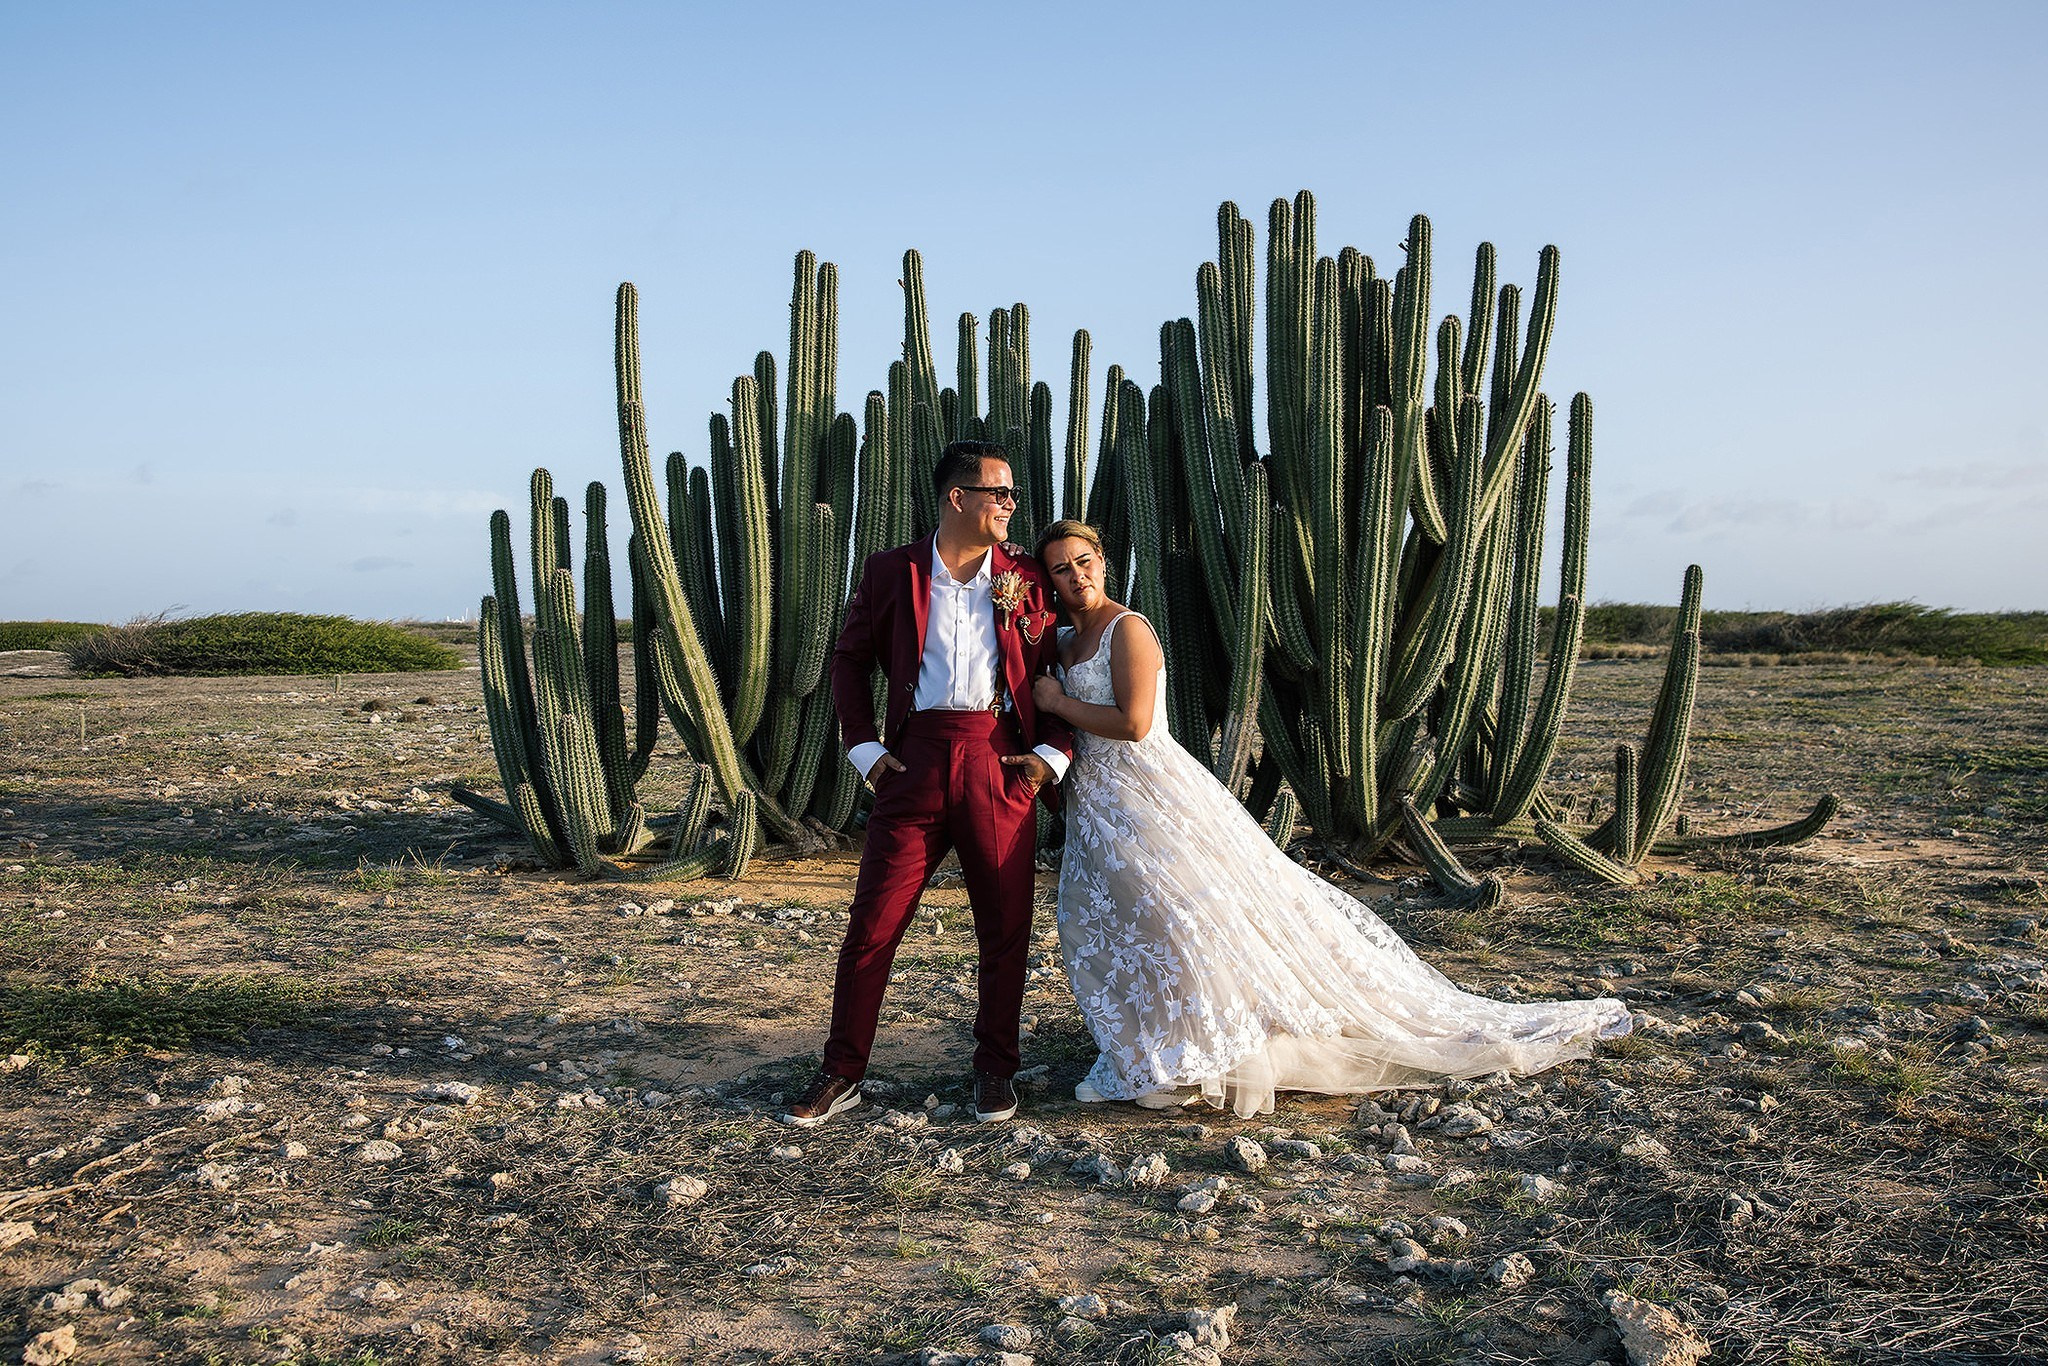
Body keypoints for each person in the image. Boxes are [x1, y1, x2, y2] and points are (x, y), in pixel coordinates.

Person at [1028, 518, 1633, 1118]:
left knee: (1182, 916)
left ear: (1103, 561)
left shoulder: (1128, 629)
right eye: (1061, 568)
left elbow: (1135, 724)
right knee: (1121, 923)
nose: (1077, 575)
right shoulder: (1062, 640)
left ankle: (1205, 1052)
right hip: (1097, 801)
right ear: (1049, 579)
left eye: (1085, 561)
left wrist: (1058, 701)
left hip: (1150, 791)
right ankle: (1151, 1046)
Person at [781, 442, 1074, 1128]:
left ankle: (995, 1070)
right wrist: (864, 747)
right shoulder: (893, 571)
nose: (1010, 505)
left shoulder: (1027, 576)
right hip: (913, 763)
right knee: (873, 924)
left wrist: (1049, 756)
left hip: (999, 761)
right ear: (957, 498)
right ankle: (842, 1071)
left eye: (1012, 495)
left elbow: (1059, 668)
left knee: (1005, 928)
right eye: (999, 493)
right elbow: (849, 659)